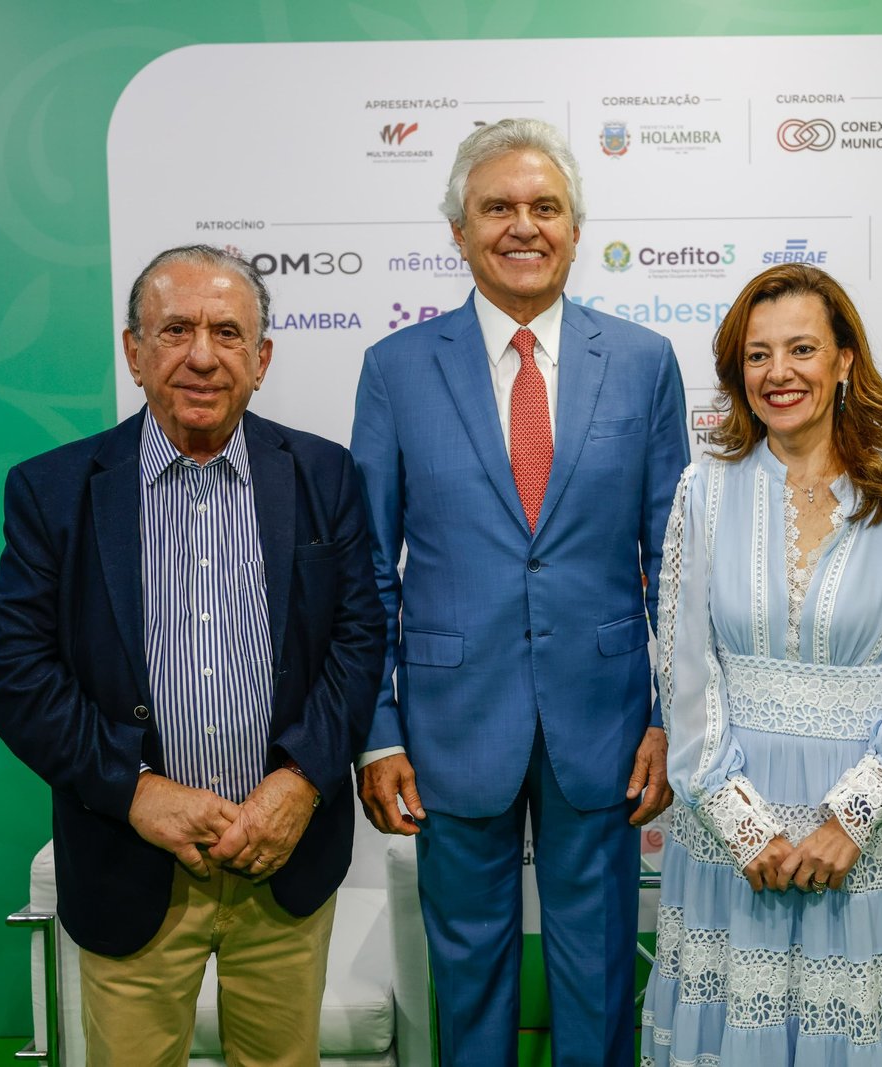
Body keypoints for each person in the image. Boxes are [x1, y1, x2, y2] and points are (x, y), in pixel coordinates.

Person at [0, 244, 386, 1066]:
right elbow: (15, 672)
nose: (203, 355)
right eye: (176, 330)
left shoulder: (324, 475)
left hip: (284, 855)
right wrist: (134, 790)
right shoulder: (54, 491)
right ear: (134, 350)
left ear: (262, 358)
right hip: (129, 862)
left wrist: (302, 782)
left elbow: (360, 635)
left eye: (229, 333)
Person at [351, 118, 689, 1066]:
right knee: (468, 972)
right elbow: (369, 567)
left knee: (600, 969)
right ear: (458, 231)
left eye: (546, 207)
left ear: (577, 229)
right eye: (497, 207)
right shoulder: (395, 368)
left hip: (608, 717)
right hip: (450, 718)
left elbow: (676, 563)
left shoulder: (642, 360)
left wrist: (671, 715)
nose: (523, 225)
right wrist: (380, 729)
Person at [641, 263, 882, 1065]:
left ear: (845, 360)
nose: (778, 373)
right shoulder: (702, 489)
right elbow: (686, 676)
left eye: (800, 349)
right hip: (732, 846)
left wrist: (848, 820)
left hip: (870, 845)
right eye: (757, 355)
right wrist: (745, 826)